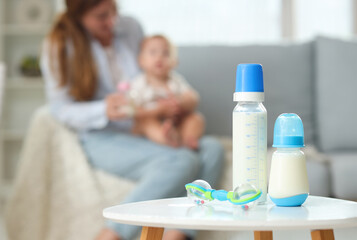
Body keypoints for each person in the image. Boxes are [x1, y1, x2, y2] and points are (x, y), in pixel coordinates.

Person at [40, 0, 224, 240]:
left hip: (145, 127)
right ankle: (111, 233)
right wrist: (103, 109)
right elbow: (60, 108)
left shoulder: (131, 27)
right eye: (101, 16)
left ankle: (177, 234)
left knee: (213, 149)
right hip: (103, 135)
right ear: (78, 16)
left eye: (114, 11)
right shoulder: (59, 45)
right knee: (181, 161)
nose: (112, 21)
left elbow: (150, 72)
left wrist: (166, 103)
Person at [128, 35, 204, 149]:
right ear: (141, 60)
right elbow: (132, 110)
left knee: (196, 118)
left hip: (175, 123)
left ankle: (188, 139)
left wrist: (180, 102)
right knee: (146, 123)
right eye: (153, 52)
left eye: (166, 53)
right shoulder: (139, 83)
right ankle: (167, 138)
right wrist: (158, 110)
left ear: (174, 62)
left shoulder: (175, 80)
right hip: (151, 122)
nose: (159, 57)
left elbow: (193, 98)